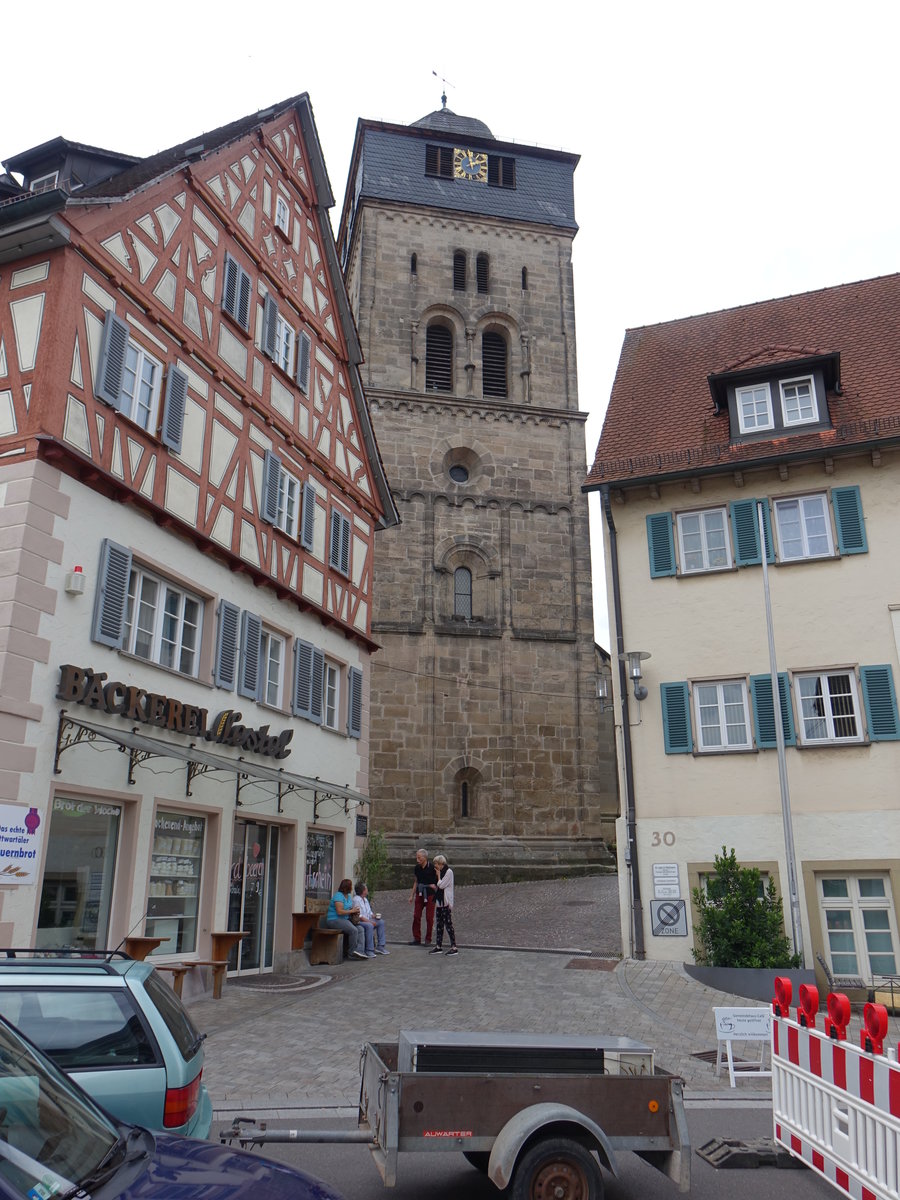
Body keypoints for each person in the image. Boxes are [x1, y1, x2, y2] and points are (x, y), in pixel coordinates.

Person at [325, 878, 368, 960]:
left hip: (345, 920)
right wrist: (352, 910)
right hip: (334, 920)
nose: (352, 888)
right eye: (350, 886)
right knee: (353, 930)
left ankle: (359, 951)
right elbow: (339, 912)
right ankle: (351, 953)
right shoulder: (338, 896)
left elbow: (351, 908)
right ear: (346, 887)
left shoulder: (348, 897)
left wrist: (355, 912)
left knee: (360, 929)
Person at [430, 854, 458, 955]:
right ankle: (438, 946)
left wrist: (438, 876)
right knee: (439, 925)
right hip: (439, 902)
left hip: (446, 902)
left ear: (441, 863)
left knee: (448, 924)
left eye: (436, 863)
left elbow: (441, 885)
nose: (435, 866)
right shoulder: (440, 872)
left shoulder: (448, 872)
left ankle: (454, 947)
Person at [408, 848, 437, 945]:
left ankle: (428, 939)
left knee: (429, 918)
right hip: (419, 893)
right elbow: (416, 881)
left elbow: (438, 881)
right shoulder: (417, 868)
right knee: (416, 916)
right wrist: (411, 895)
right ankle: (417, 938)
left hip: (430, 895)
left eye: (419, 857)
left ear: (424, 858)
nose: (417, 859)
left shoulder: (433, 868)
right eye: (417, 857)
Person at [353, 882, 389, 956]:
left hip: (367, 920)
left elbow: (369, 913)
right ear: (363, 890)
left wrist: (374, 916)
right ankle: (369, 949)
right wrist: (370, 922)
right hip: (359, 921)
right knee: (369, 926)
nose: (367, 890)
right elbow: (359, 916)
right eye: (366, 888)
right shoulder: (356, 900)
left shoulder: (365, 900)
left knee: (381, 922)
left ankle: (380, 946)